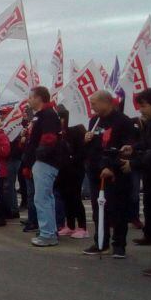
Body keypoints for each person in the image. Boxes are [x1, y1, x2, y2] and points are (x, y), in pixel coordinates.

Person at [82, 90, 136, 258]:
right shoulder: (94, 121)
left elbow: (126, 148)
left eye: (94, 103)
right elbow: (91, 149)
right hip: (95, 171)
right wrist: (87, 139)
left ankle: (119, 245)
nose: (92, 106)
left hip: (115, 172)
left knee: (118, 209)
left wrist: (112, 166)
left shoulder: (123, 121)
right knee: (99, 209)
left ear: (106, 102)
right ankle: (100, 242)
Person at [122, 87, 151, 281]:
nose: (141, 111)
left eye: (144, 106)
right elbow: (147, 144)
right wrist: (134, 148)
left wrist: (135, 163)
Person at [23, 86, 63, 247]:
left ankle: (47, 234)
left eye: (31, 97)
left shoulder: (48, 115)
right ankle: (50, 230)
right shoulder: (42, 115)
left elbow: (49, 139)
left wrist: (38, 156)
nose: (29, 100)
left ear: (39, 98)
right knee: (47, 197)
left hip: (45, 162)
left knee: (42, 198)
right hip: (42, 161)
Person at [55, 106, 88, 238]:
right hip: (62, 170)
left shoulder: (76, 130)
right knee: (65, 197)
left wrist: (72, 159)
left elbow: (82, 152)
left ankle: (82, 227)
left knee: (75, 197)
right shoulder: (60, 132)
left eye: (61, 118)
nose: (60, 121)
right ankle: (70, 225)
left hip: (75, 169)